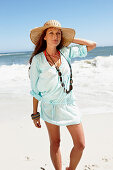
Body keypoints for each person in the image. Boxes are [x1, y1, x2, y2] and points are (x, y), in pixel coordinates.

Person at [29, 20, 96, 170]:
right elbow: (35, 90)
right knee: (55, 142)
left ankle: (70, 169)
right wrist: (35, 114)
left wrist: (69, 39)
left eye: (58, 33)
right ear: (44, 37)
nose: (55, 36)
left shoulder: (66, 52)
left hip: (68, 104)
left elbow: (92, 45)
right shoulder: (38, 60)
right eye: (51, 33)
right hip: (49, 106)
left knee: (80, 144)